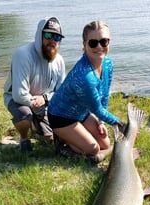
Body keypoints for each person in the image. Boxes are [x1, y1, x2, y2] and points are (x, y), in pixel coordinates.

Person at [48, 20, 125, 163]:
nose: (99, 47)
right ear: (84, 45)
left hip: (81, 113)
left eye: (104, 41)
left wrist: (101, 122)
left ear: (109, 42)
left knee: (105, 144)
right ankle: (62, 140)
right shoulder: (84, 76)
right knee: (94, 149)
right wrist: (121, 125)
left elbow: (105, 95)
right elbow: (96, 108)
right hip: (60, 116)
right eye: (93, 43)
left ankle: (75, 135)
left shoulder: (108, 64)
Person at [4, 17, 65, 154]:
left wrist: (45, 99)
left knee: (48, 138)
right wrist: (35, 103)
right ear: (39, 35)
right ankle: (24, 137)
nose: (52, 40)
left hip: (43, 103)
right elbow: (18, 94)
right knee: (24, 115)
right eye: (48, 35)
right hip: (17, 100)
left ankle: (35, 126)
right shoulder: (23, 54)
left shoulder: (60, 61)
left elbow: (61, 92)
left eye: (57, 37)